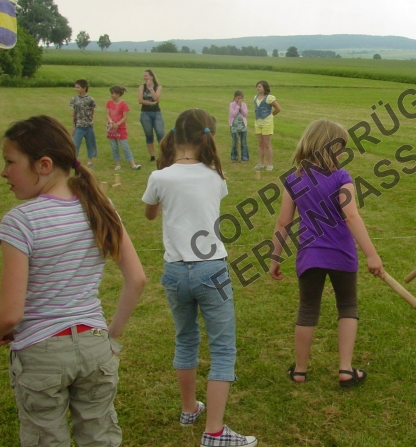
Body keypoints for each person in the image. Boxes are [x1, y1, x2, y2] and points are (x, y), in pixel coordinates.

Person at [0, 115, 146, 446]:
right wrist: (110, 338)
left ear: (44, 165)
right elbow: (136, 279)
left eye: (10, 162)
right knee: (100, 437)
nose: (4, 172)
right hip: (96, 347)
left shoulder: (19, 222)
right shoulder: (99, 206)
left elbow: (9, 314)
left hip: (40, 356)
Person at [142, 109, 257, 447]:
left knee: (186, 339)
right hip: (212, 269)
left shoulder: (159, 177)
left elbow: (150, 214)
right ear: (207, 137)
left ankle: (189, 409)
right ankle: (214, 432)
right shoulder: (215, 176)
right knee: (222, 349)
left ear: (174, 136)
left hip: (175, 272)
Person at [268, 119, 385, 387]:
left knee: (308, 310)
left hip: (309, 256)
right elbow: (352, 217)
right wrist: (371, 254)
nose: (343, 155)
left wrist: (275, 257)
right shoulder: (342, 178)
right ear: (327, 148)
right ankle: (345, 369)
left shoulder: (293, 179)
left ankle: (299, 371)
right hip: (342, 254)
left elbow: (283, 222)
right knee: (348, 307)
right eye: (340, 149)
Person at [106, 85, 142, 171]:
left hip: (120, 128)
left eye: (113, 93)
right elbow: (107, 114)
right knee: (114, 147)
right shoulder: (109, 103)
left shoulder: (123, 104)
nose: (111, 95)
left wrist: (117, 124)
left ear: (118, 94)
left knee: (125, 146)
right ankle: (117, 164)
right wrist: (111, 121)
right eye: (111, 93)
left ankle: (133, 164)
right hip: (111, 128)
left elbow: (125, 117)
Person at [252, 80, 281, 171]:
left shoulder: (269, 98)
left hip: (267, 123)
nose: (258, 88)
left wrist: (271, 115)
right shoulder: (255, 97)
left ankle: (269, 164)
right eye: (257, 86)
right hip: (258, 122)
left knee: (267, 144)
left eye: (260, 86)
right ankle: (260, 163)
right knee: (260, 144)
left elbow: (278, 109)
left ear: (264, 88)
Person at [138, 69, 165, 162]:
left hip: (157, 113)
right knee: (149, 135)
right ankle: (152, 156)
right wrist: (152, 103)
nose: (144, 77)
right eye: (144, 76)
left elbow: (156, 97)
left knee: (160, 134)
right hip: (145, 113)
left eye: (146, 76)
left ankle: (163, 155)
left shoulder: (158, 87)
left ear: (151, 77)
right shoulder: (141, 87)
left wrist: (150, 89)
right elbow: (140, 101)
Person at [70, 78, 97, 167]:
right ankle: (74, 160)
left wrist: (90, 119)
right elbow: (73, 113)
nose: (76, 89)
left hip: (89, 126)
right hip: (78, 125)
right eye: (76, 87)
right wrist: (73, 126)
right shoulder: (74, 99)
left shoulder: (90, 99)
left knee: (90, 143)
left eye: (78, 87)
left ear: (84, 88)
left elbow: (92, 110)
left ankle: (90, 161)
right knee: (75, 144)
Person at [229, 90, 249, 163]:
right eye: (238, 98)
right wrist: (237, 107)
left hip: (243, 126)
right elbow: (233, 114)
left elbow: (245, 114)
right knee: (235, 142)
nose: (239, 100)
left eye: (241, 98)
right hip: (234, 126)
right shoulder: (232, 104)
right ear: (234, 98)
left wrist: (241, 107)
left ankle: (244, 157)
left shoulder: (244, 105)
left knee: (243, 142)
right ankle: (234, 157)